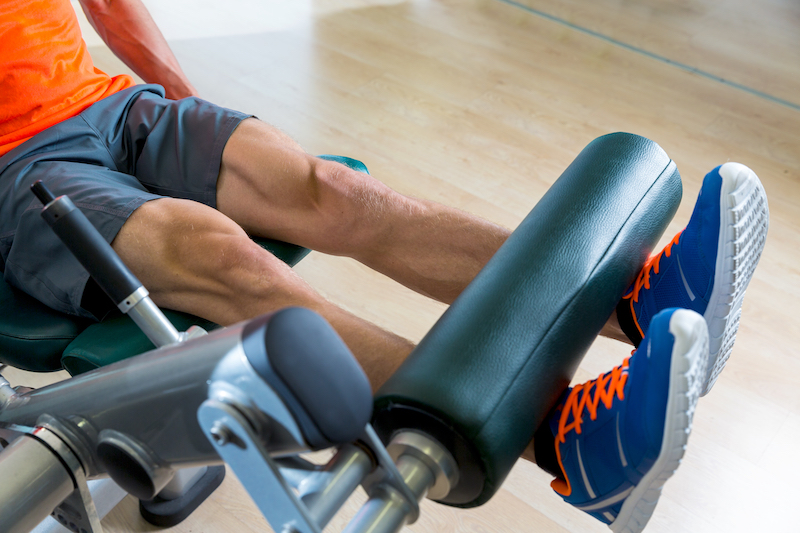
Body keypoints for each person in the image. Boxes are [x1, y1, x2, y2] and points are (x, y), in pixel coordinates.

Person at [0, 0, 769, 531]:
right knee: (215, 253)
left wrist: (182, 104)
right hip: (19, 168)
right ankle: (569, 443)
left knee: (331, 188)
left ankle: (633, 297)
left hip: (112, 105)